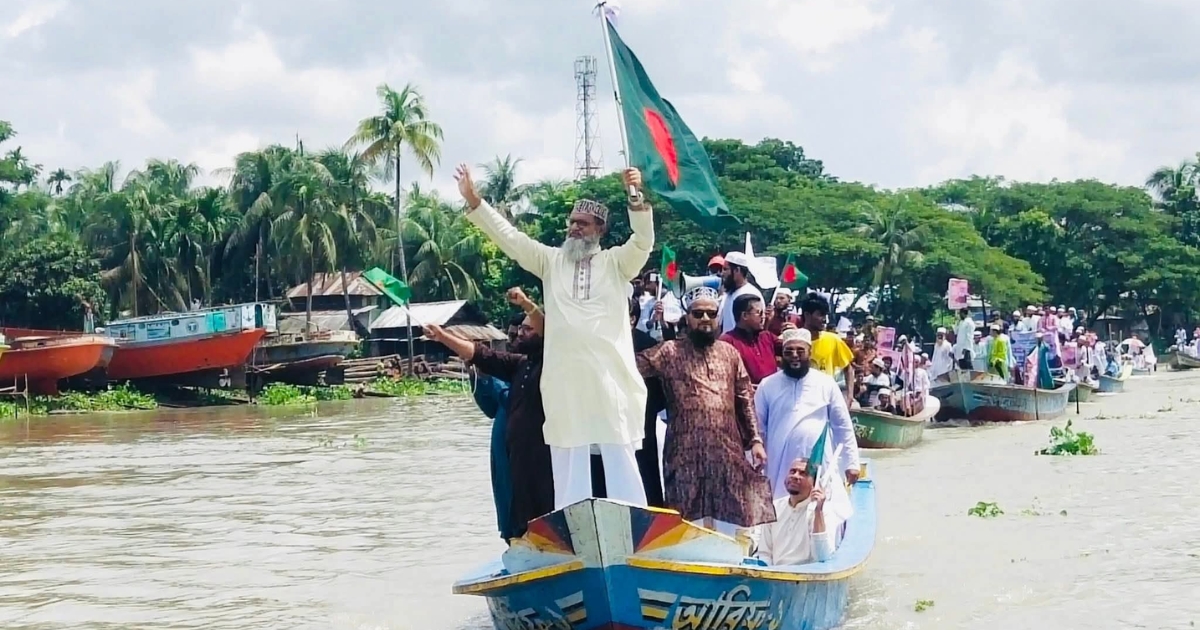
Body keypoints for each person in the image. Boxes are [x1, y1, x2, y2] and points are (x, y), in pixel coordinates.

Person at [456, 164, 651, 509]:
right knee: (568, 458)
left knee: (619, 456)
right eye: (572, 222)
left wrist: (635, 196)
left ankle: (632, 526)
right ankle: (573, 530)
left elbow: (643, 241)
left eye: (583, 223)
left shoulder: (617, 263)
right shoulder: (551, 261)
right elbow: (511, 240)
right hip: (565, 383)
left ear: (600, 229)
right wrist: (476, 201)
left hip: (609, 380)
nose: (574, 228)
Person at [635, 286, 775, 535]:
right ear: (687, 317)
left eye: (711, 313)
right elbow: (628, 367)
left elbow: (744, 398)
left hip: (726, 451)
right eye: (698, 314)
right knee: (685, 520)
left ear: (718, 316)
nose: (705, 319)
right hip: (684, 452)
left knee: (732, 519)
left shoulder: (729, 353)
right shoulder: (668, 352)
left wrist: (755, 440)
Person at [424, 290, 550, 539]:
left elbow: (548, 327)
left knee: (545, 512)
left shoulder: (554, 361)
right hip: (516, 458)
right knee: (518, 515)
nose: (520, 334)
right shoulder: (520, 364)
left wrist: (526, 304)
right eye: (520, 330)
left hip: (544, 457)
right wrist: (442, 336)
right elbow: (480, 354)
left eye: (528, 330)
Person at [755, 327, 861, 499]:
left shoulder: (826, 384)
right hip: (779, 462)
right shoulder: (767, 385)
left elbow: (842, 426)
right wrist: (757, 458)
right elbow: (758, 427)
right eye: (789, 351)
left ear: (810, 352)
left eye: (800, 350)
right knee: (780, 509)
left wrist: (852, 462)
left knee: (819, 509)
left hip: (818, 459)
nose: (794, 355)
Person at [756, 458, 841, 565]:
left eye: (803, 474)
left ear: (814, 483)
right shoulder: (774, 507)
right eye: (792, 471)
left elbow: (822, 557)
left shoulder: (824, 511)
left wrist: (818, 512)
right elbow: (765, 553)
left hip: (805, 577)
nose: (795, 476)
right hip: (774, 575)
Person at [630, 297, 667, 507]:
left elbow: (659, 392)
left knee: (645, 479)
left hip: (642, 421)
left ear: (632, 318)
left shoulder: (648, 345)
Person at [799, 292, 856, 407]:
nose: (825, 319)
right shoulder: (792, 340)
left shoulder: (834, 340)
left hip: (825, 402)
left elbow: (848, 369)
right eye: (820, 315)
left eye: (825, 315)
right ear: (807, 315)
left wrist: (849, 396)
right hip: (799, 401)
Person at [719, 294, 780, 386]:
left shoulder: (767, 336)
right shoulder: (727, 342)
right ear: (744, 315)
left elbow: (791, 348)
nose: (763, 317)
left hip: (773, 395)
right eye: (759, 313)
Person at [718, 252, 763, 334]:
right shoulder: (728, 293)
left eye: (725, 269)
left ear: (737, 270)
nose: (722, 273)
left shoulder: (751, 293)